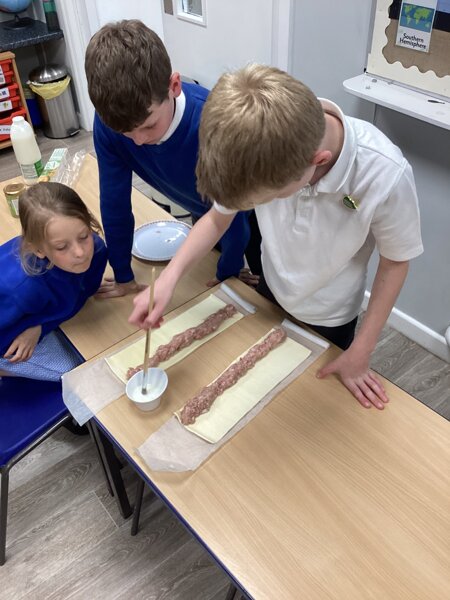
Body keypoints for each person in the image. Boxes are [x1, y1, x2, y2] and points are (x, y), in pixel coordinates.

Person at [129, 64, 423, 411]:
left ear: (317, 162)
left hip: (330, 313)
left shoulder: (385, 174)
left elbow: (395, 262)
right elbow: (217, 219)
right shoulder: (256, 136)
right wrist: (170, 278)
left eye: (264, 200)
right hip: (270, 289)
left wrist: (362, 350)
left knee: (308, 409)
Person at [84, 19, 261, 299]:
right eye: (125, 133)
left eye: (148, 126)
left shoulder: (213, 124)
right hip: (204, 208)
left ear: (174, 85)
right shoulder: (111, 123)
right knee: (205, 261)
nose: (139, 142)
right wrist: (123, 274)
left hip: (252, 211)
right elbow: (114, 202)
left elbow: (233, 211)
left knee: (261, 289)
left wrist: (229, 270)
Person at [0, 182, 108, 381]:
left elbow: (81, 296)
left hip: (31, 313)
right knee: (75, 370)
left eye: (84, 236)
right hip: (5, 331)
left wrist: (40, 324)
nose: (80, 252)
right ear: (38, 249)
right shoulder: (22, 288)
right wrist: (35, 327)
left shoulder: (97, 249)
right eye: (61, 247)